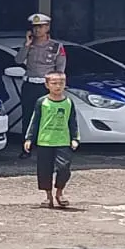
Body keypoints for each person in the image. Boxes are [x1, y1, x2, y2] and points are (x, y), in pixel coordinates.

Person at [23, 70, 79, 209]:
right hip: (45, 141)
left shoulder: (69, 102)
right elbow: (35, 121)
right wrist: (29, 138)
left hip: (63, 141)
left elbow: (72, 122)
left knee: (64, 168)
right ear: (47, 85)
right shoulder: (42, 102)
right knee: (44, 170)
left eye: (61, 83)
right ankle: (48, 196)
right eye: (54, 83)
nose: (58, 86)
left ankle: (59, 192)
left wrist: (75, 138)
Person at [15, 13, 66, 151]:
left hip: (46, 86)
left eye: (41, 26)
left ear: (47, 27)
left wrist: (58, 86)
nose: (37, 30)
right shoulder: (29, 44)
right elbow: (18, 60)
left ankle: (46, 146)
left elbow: (60, 68)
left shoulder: (56, 46)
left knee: (47, 116)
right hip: (30, 84)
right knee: (28, 116)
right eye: (35, 27)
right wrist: (26, 44)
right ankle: (27, 147)